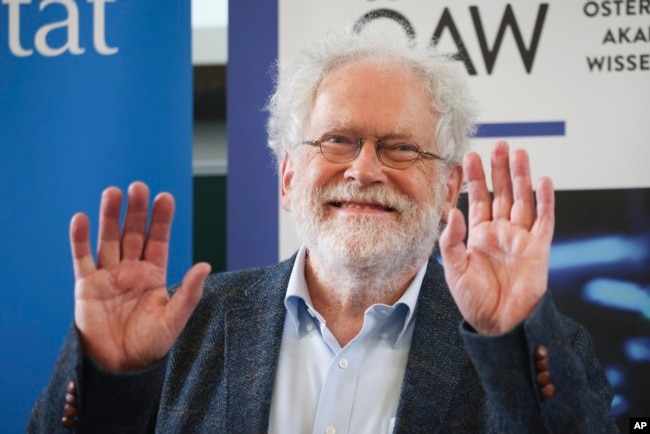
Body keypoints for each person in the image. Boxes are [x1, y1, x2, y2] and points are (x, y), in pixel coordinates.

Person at [28, 23, 618, 433]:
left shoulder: (531, 344)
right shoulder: (186, 327)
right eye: (338, 140)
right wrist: (110, 376)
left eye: (401, 147)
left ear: (446, 188)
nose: (364, 169)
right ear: (288, 177)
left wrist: (510, 345)